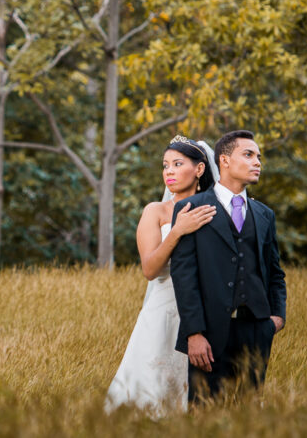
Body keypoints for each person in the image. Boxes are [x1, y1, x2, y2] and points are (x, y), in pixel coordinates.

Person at [169, 129, 287, 403]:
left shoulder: (264, 214)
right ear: (224, 160)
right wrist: (194, 332)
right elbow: (184, 275)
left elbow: (275, 273)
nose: (257, 162)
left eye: (259, 156)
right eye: (248, 154)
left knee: (248, 417)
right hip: (208, 335)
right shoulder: (191, 208)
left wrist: (276, 318)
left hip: (257, 330)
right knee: (204, 416)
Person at [104, 135, 219, 417]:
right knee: (150, 399)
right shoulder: (155, 211)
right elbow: (150, 269)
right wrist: (177, 230)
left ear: (200, 169)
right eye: (165, 165)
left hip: (206, 312)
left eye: (177, 164)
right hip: (163, 313)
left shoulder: (215, 210)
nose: (168, 171)